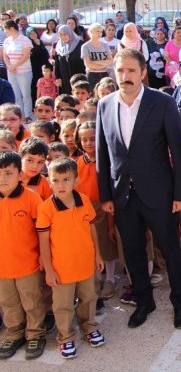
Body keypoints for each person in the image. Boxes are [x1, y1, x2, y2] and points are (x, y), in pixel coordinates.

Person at [96, 49, 181, 330]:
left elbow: (178, 150)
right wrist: (106, 196)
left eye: (131, 71)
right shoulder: (105, 105)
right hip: (123, 196)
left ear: (143, 72)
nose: (125, 76)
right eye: (120, 70)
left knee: (170, 251)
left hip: (159, 193)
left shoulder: (162, 102)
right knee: (133, 253)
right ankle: (144, 301)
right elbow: (103, 154)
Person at [37, 157, 105, 359]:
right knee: (63, 305)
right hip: (61, 269)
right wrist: (49, 270)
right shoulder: (46, 208)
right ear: (49, 182)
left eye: (66, 179)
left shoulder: (84, 200)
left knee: (89, 298)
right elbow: (43, 241)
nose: (61, 185)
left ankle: (89, 327)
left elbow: (92, 228)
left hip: (85, 264)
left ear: (76, 180)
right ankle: (65, 337)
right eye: (55, 180)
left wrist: (98, 255)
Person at [0, 151, 47, 360]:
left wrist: (44, 256)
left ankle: (36, 334)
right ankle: (14, 333)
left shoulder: (31, 198)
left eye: (8, 173)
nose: (2, 178)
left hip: (28, 264)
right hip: (2, 267)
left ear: (20, 175)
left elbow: (43, 231)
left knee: (32, 302)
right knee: (8, 303)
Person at [74, 121, 118, 302]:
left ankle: (110, 278)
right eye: (84, 139)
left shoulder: (106, 161)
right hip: (85, 208)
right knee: (92, 243)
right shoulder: (78, 163)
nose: (88, 143)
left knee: (107, 242)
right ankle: (97, 277)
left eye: (93, 139)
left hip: (104, 206)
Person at [3, 20, 33, 119]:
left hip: (24, 71)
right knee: (16, 94)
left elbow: (25, 55)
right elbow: (5, 55)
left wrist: (15, 65)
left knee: (25, 94)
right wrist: (9, 66)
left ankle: (28, 115)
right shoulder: (7, 41)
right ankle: (20, 115)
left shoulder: (25, 40)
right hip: (11, 71)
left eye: (5, 29)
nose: (4, 31)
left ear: (11, 28)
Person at [54, 25, 85, 96]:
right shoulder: (58, 46)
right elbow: (57, 63)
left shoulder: (80, 44)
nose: (63, 36)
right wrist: (57, 77)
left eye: (65, 34)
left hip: (78, 77)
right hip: (64, 78)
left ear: (70, 33)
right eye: (61, 34)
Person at [81, 23, 113, 88]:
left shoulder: (105, 45)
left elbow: (111, 61)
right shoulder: (85, 46)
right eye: (97, 31)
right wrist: (103, 64)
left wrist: (95, 62)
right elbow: (88, 64)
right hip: (92, 75)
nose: (100, 33)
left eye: (101, 31)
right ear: (91, 32)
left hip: (104, 74)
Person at [26, 27, 50, 107]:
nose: (33, 35)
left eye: (34, 33)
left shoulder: (40, 41)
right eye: (31, 34)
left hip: (43, 67)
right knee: (35, 86)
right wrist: (38, 46)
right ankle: (35, 104)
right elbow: (33, 55)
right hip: (34, 67)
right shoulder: (28, 43)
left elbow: (45, 53)